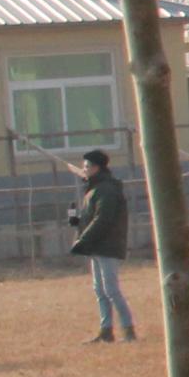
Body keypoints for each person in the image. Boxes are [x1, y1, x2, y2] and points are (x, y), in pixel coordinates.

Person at [68, 147, 135, 344]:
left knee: (112, 290)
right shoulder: (94, 188)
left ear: (97, 167)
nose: (84, 169)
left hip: (107, 245)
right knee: (100, 290)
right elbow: (92, 218)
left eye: (87, 166)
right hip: (96, 246)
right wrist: (77, 222)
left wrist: (83, 240)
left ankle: (129, 330)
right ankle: (106, 331)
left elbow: (103, 219)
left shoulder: (106, 189)